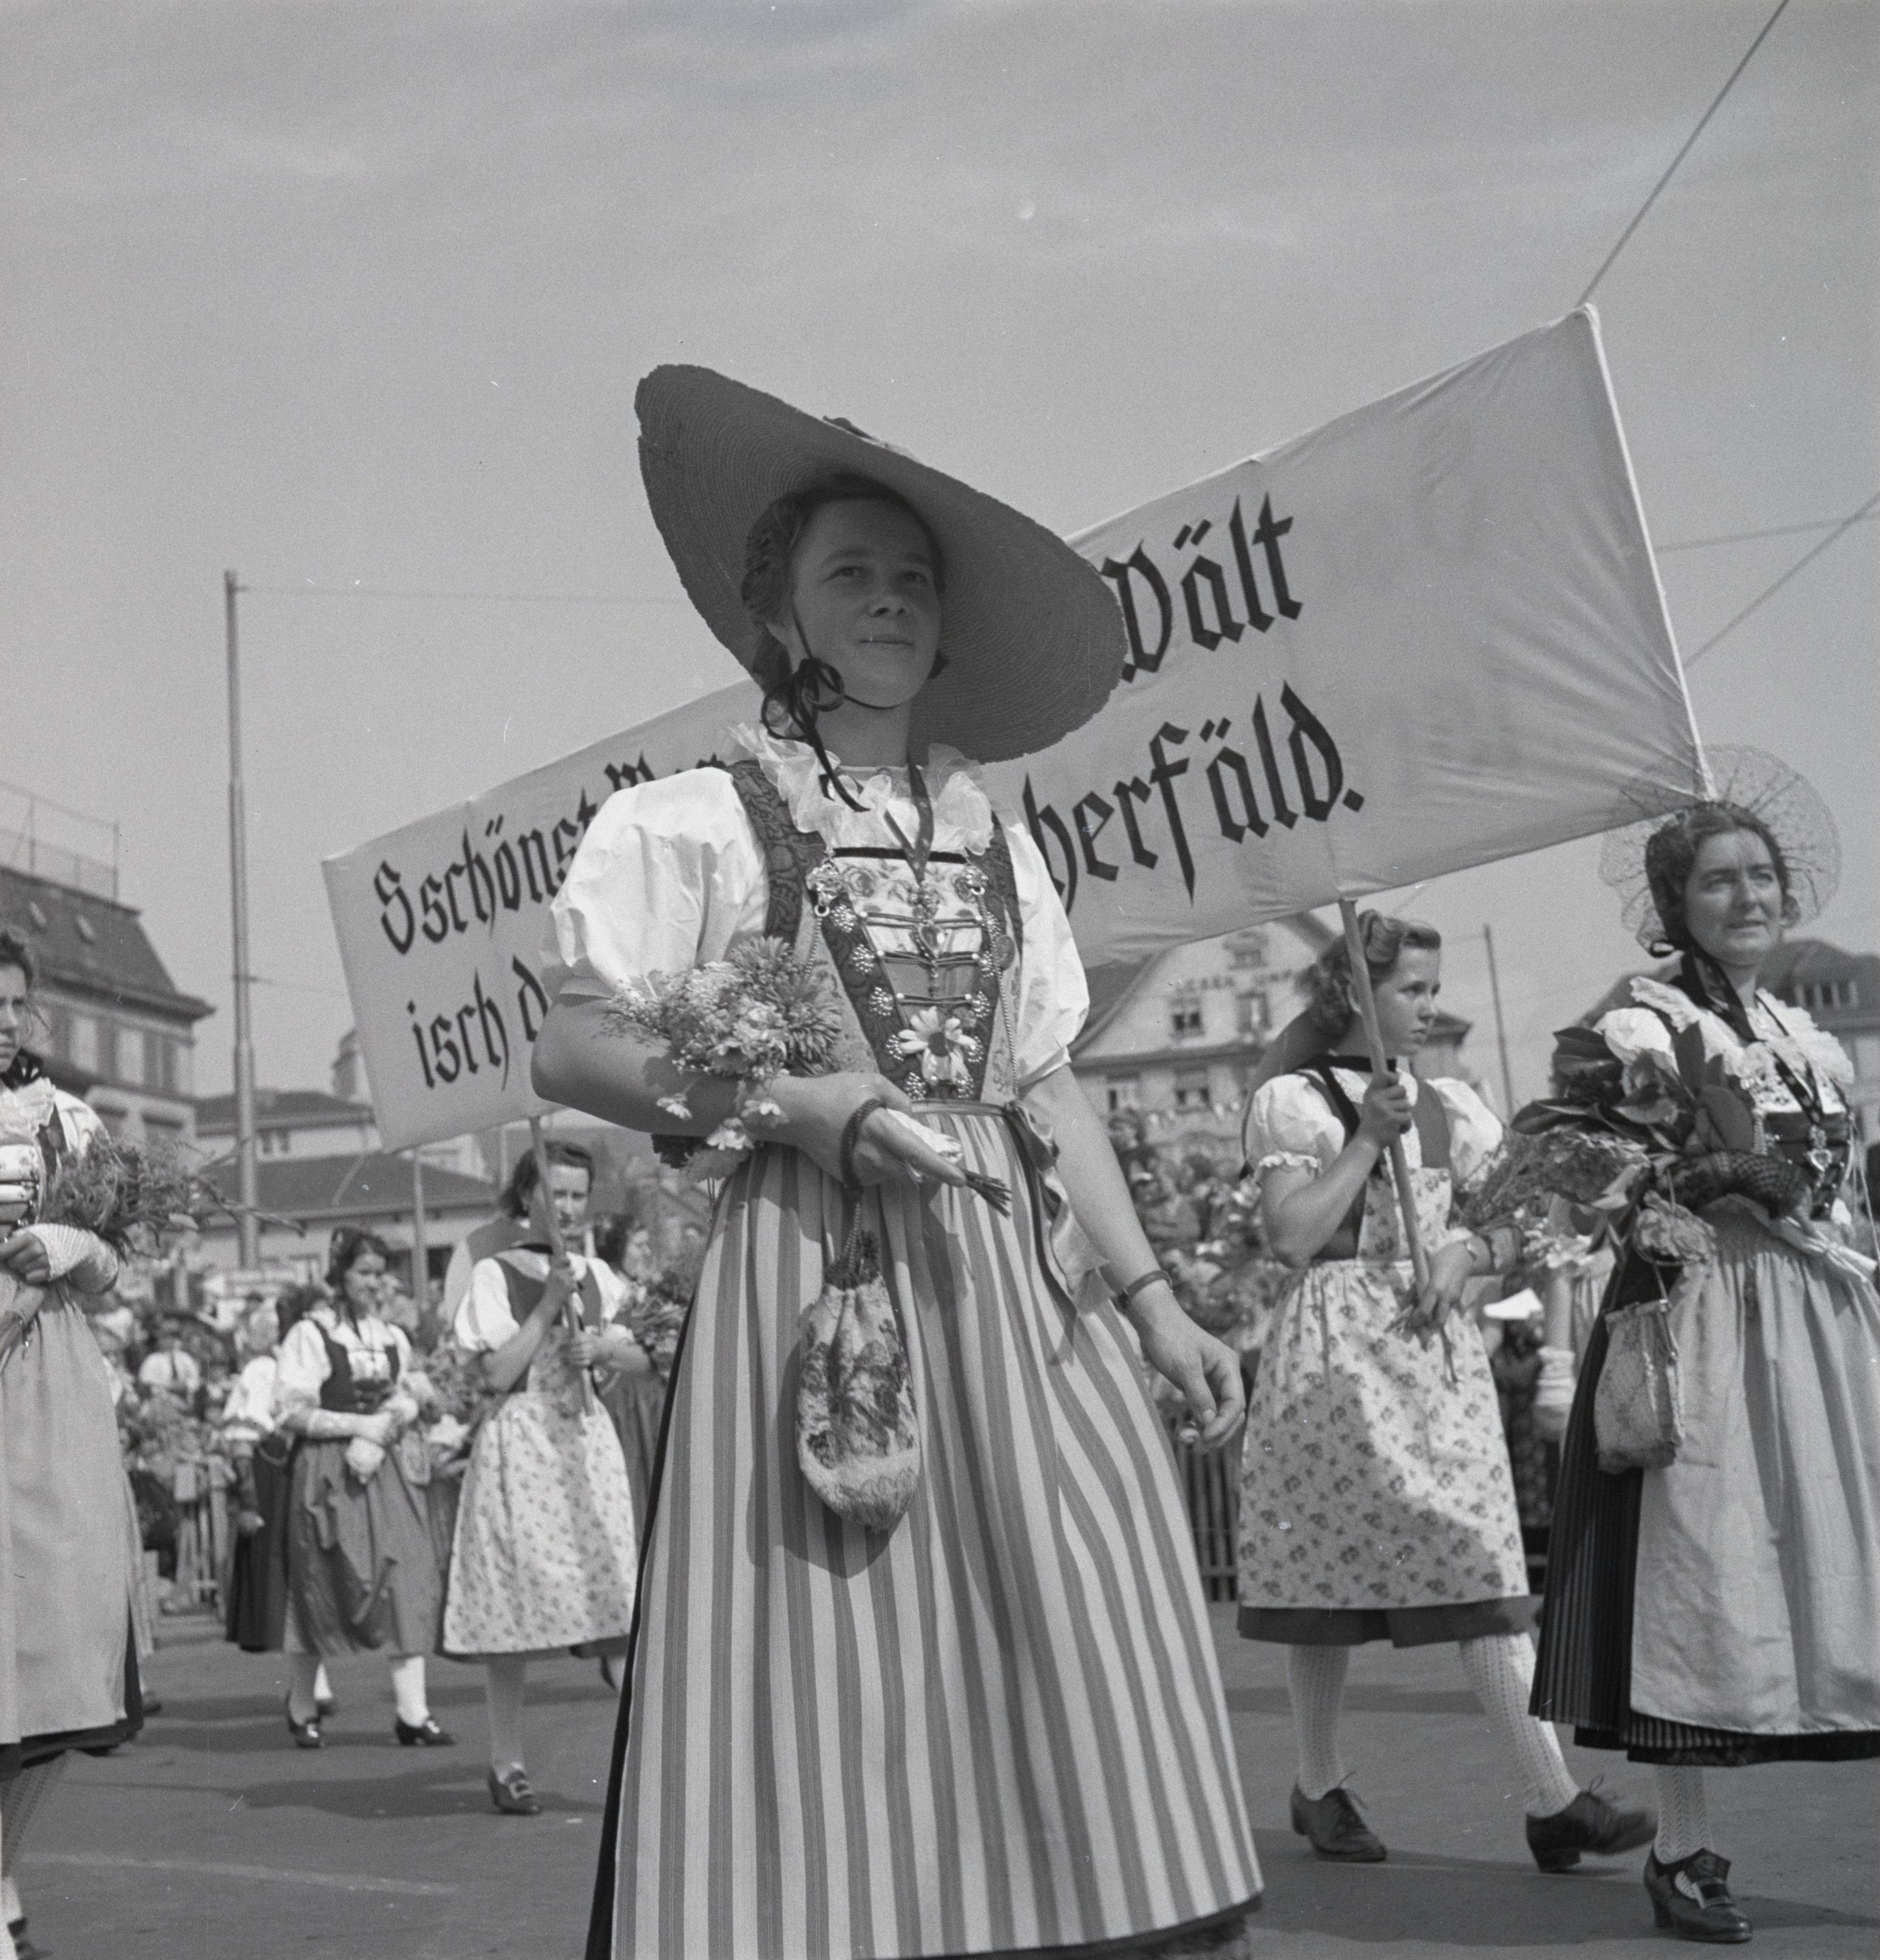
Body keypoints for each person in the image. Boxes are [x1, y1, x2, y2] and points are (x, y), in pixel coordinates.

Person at [535, 367, 1261, 1960]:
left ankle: (1060, 1904)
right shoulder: (695, 819)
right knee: (834, 1633)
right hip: (814, 1265)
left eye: (914, 580)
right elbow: (575, 1048)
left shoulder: (995, 836)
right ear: (776, 613)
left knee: (1069, 1604)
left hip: (1009, 1275)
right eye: (851, 573)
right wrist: (793, 1101)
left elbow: (1047, 1083)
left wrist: (1158, 1308)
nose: (889, 600)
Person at [1532, 755, 1880, 1944]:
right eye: (1718, 880)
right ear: (1675, 903)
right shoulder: (1642, 1022)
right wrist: (1705, 1170)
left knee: (1837, 1559)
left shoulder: (1805, 1034)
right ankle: (1682, 1852)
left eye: (1761, 875)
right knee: (1697, 1575)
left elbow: (1839, 1190)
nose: (1747, 896)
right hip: (1702, 1315)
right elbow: (1578, 1169)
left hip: (1820, 1319)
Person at [1235, 913, 1652, 1874]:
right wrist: (1363, 1141)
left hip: (1435, 1361)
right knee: (1319, 1581)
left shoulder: (1456, 1107)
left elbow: (1529, 1227)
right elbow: (1292, 1239)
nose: (1429, 1006)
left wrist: (1471, 1250)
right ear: (1354, 993)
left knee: (1481, 1564)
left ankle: (1550, 1799)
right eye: (1410, 989)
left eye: (1432, 987)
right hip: (1332, 1358)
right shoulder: (1292, 1101)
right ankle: (1318, 1783)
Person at [0, 928, 144, 1960]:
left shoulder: (65, 1116)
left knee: (59, 1644)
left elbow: (118, 1267)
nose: (6, 1022)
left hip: (47, 1390)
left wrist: (74, 1242)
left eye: (16, 1003)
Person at [444, 1140, 643, 1815]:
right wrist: (548, 1305)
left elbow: (643, 1356)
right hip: (524, 1441)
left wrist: (607, 1350)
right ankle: (507, 1761)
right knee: (515, 1608)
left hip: (584, 1443)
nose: (568, 1207)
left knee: (615, 1596)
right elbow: (495, 1373)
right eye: (555, 1193)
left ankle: (640, 1757)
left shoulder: (601, 1275)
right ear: (527, 1195)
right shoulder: (494, 1273)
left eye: (578, 1195)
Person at [275, 1228, 452, 1750]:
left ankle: (413, 1712)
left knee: (406, 1573)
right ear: (341, 1275)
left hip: (387, 1467)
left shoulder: (393, 1336)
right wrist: (359, 1426)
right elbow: (290, 1411)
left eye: (380, 1273)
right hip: (328, 1469)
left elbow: (414, 1394)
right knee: (325, 1578)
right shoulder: (312, 1332)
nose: (375, 1283)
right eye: (364, 1273)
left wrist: (406, 1407)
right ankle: (302, 1703)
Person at [589, 1208, 667, 1543]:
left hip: (652, 1399)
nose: (646, 1253)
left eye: (648, 1245)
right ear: (618, 1248)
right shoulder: (602, 1289)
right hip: (621, 1402)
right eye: (638, 1245)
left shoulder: (648, 1292)